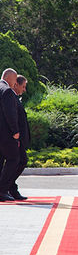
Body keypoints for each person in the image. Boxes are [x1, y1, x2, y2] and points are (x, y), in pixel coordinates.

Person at [6, 75, 30, 200]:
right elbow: (12, 118)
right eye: (23, 86)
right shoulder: (10, 97)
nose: (24, 90)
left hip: (18, 138)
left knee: (20, 161)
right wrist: (16, 135)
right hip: (14, 138)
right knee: (20, 161)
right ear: (16, 84)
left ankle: (11, 187)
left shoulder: (15, 98)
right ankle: (7, 186)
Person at [0, 68, 20, 202]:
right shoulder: (6, 91)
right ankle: (2, 189)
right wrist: (15, 131)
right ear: (9, 78)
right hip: (6, 134)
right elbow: (10, 114)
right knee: (14, 159)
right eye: (15, 79)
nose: (15, 83)